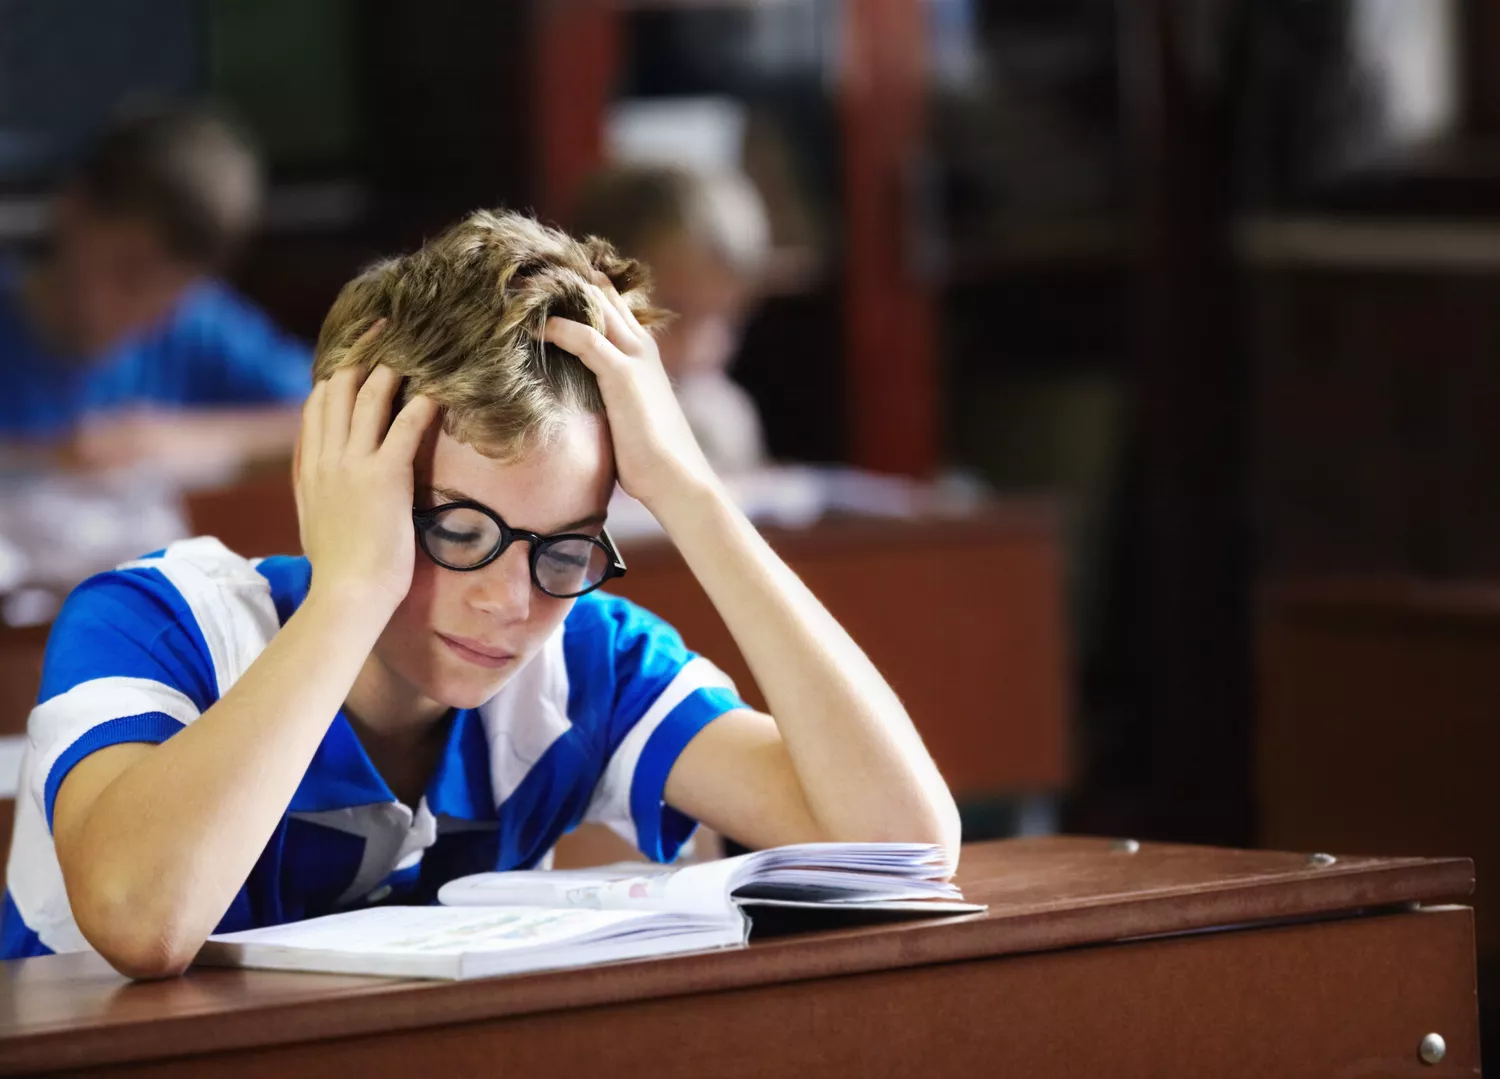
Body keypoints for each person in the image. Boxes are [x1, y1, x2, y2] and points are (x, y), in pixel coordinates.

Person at [1, 209, 959, 975]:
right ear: (338, 481)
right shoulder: (156, 623)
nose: (513, 601)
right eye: (458, 531)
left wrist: (691, 495)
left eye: (565, 549)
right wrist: (351, 591)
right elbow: (140, 921)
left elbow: (904, 848)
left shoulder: (588, 659)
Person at [0, 108, 310, 474]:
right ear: (74, 211)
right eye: (126, 272)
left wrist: (190, 440)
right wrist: (44, 461)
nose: (139, 308)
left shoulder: (198, 322)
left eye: (171, 293)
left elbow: (343, 410)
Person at [572, 164, 769, 474]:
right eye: (674, 312)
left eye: (725, 319)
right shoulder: (560, 421)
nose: (699, 347)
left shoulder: (722, 416)